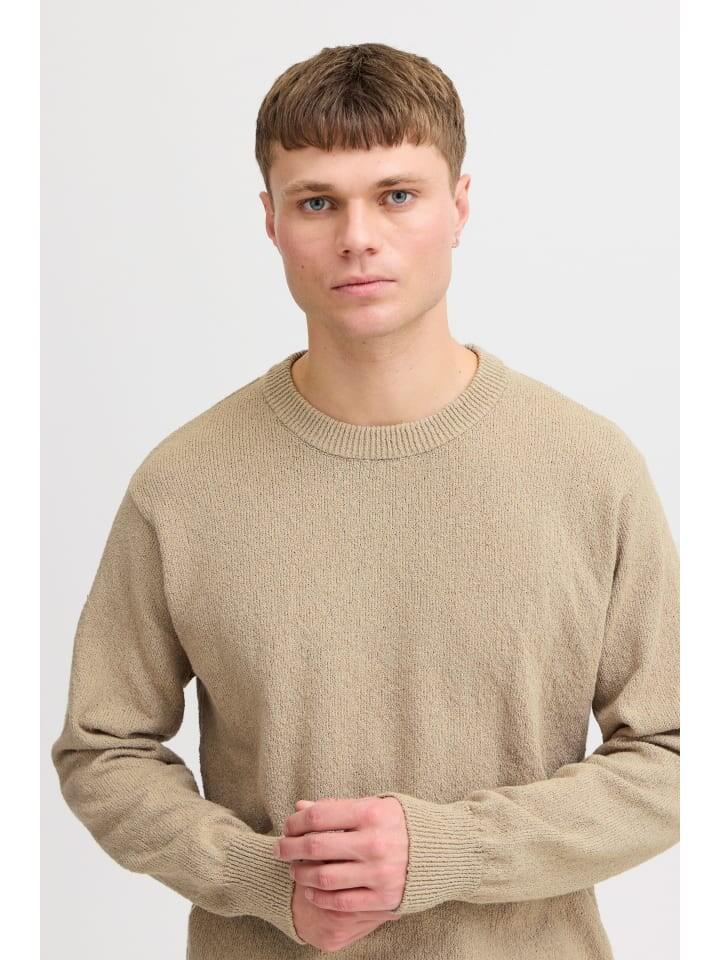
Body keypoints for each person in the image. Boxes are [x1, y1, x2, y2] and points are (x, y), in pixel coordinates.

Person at [50, 42, 679, 959]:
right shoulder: (181, 484)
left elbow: (676, 758)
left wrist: (446, 849)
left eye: (397, 195)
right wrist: (263, 876)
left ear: (459, 206)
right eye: (317, 202)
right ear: (270, 221)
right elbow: (102, 749)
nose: (358, 237)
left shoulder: (589, 468)